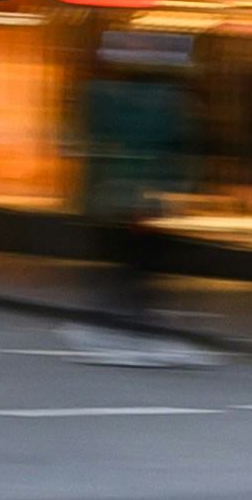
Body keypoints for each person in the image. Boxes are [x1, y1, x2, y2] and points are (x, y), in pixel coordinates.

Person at [67, 21, 195, 362]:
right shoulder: (158, 99)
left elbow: (90, 142)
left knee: (129, 262)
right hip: (136, 197)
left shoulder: (104, 94)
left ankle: (121, 318)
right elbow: (169, 146)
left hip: (118, 196)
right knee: (137, 262)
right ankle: (129, 320)